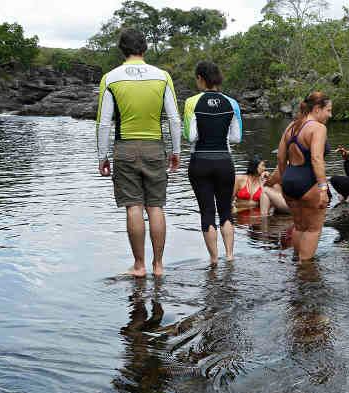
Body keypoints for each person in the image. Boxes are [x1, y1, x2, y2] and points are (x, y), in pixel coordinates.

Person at [96, 28, 181, 277]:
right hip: (155, 146)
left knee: (134, 207)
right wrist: (176, 150)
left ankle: (139, 265)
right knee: (156, 206)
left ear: (122, 49)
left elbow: (103, 123)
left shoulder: (110, 78)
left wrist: (102, 156)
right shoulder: (162, 76)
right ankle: (159, 266)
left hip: (125, 148)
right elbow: (174, 119)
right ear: (144, 48)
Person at [183, 61, 242, 265]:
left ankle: (214, 259)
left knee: (207, 211)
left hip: (200, 162)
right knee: (225, 210)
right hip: (224, 162)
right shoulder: (232, 103)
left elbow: (190, 136)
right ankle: (230, 256)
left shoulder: (191, 102)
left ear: (200, 78)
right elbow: (236, 138)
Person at [277, 92, 332, 261]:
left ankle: (297, 263)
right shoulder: (318, 128)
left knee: (300, 226)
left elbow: (280, 157)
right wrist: (323, 188)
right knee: (313, 229)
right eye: (328, 110)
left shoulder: (291, 127)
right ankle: (305, 272)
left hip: (289, 180)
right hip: (308, 183)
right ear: (317, 109)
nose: (330, 115)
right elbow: (316, 158)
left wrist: (283, 179)